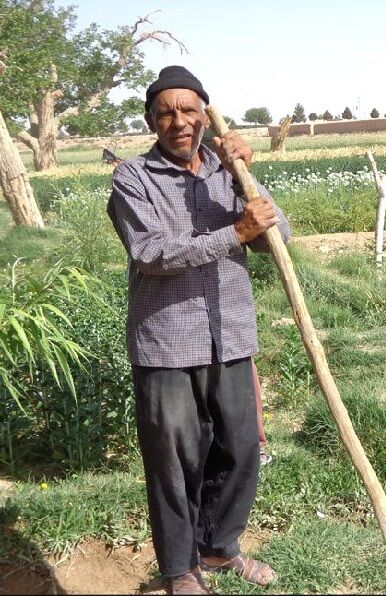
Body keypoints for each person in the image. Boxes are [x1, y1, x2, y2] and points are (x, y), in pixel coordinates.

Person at [107, 65, 291, 595]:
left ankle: (218, 547)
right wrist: (235, 230)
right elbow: (150, 252)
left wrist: (242, 177)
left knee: (239, 448)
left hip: (230, 333)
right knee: (174, 460)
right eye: (166, 112)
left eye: (189, 110)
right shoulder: (132, 179)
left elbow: (276, 236)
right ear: (151, 120)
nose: (178, 121)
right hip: (165, 342)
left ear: (206, 116)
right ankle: (178, 570)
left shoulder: (225, 171)